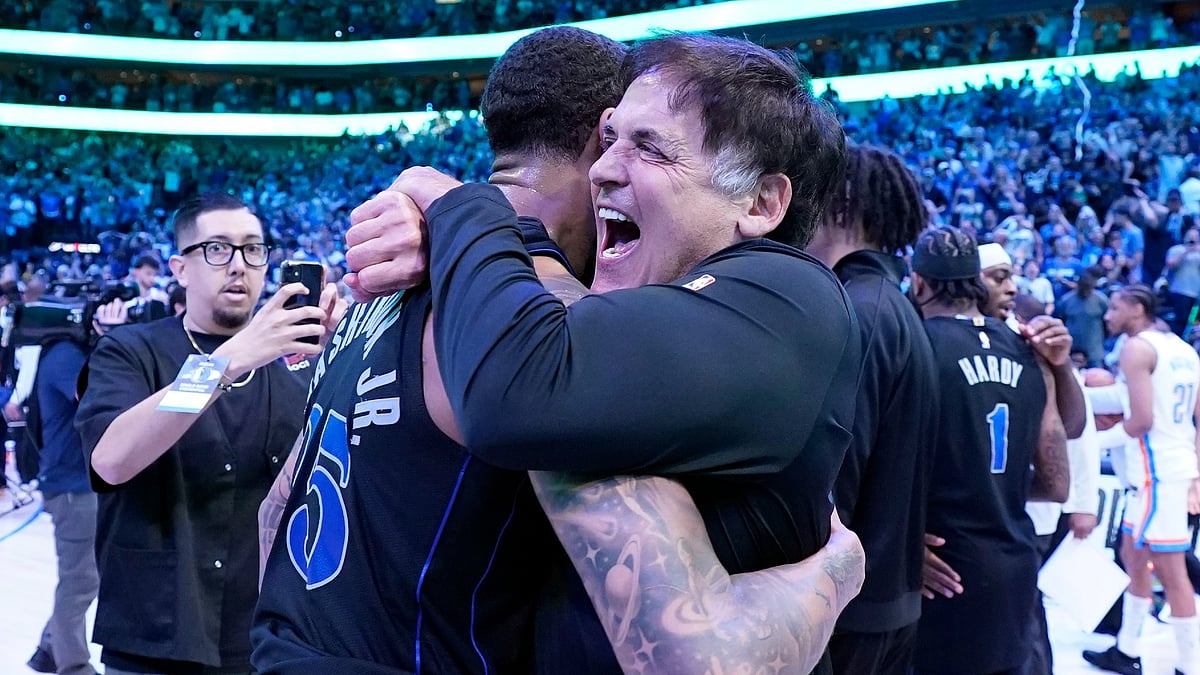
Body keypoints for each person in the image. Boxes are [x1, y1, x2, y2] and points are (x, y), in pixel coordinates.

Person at [254, 27, 864, 675]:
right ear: (587, 136)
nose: (608, 167)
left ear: (763, 200)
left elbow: (274, 512)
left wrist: (462, 209)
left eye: (646, 145)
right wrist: (837, 572)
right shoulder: (524, 316)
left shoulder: (425, 298)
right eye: (610, 138)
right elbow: (697, 653)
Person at [74, 192, 343, 674]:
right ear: (179, 268)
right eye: (217, 249)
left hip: (267, 637)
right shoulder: (130, 350)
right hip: (156, 634)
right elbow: (110, 459)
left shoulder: (298, 365)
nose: (238, 265)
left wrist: (346, 356)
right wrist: (229, 360)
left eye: (253, 249)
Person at [803, 143, 939, 675]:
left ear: (842, 206)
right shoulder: (894, 304)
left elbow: (835, 478)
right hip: (886, 602)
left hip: (849, 613)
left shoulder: (858, 309)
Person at [910, 226, 1069, 675]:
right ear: (977, 285)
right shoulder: (1028, 351)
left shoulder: (915, 344)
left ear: (918, 284)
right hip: (1015, 562)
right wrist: (997, 479)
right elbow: (1057, 483)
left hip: (943, 567)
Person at [1083, 284, 1200, 675]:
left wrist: (1091, 443)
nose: (1107, 315)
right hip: (1171, 467)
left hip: (1158, 474)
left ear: (1136, 309)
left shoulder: (1136, 348)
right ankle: (1127, 649)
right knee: (1133, 557)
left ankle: (1190, 664)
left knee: (1172, 573)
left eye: (1114, 307)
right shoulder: (1182, 349)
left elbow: (1140, 421)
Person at [25, 336, 99, 675]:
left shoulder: (67, 352)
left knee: (84, 576)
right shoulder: (64, 355)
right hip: (71, 485)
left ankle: (48, 647)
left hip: (78, 482)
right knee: (80, 579)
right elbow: (97, 397)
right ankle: (73, 665)